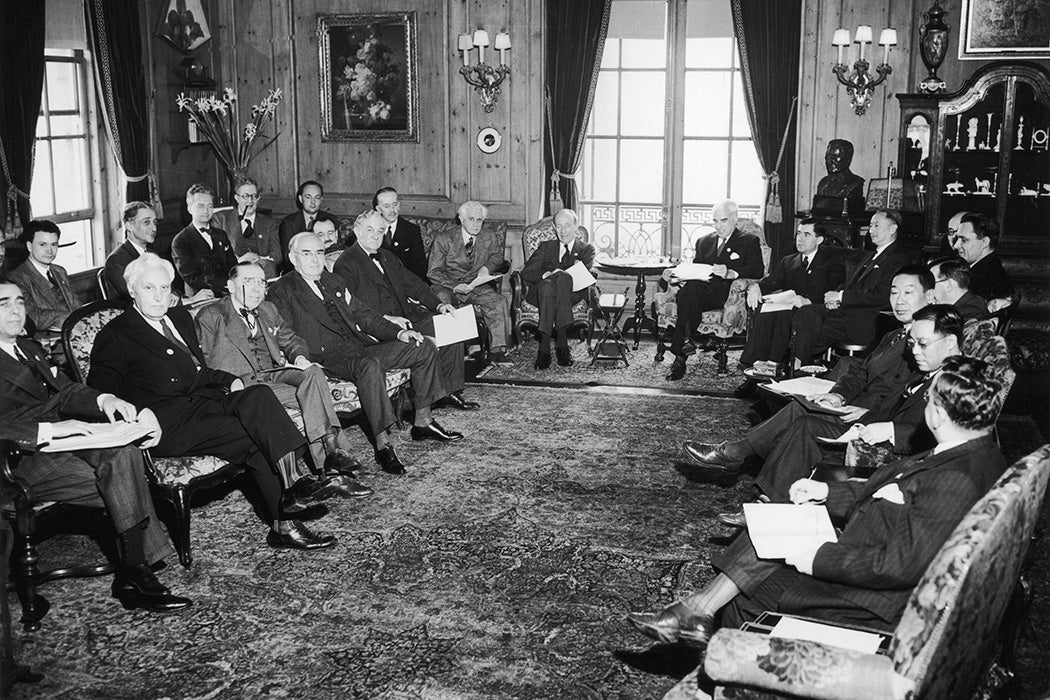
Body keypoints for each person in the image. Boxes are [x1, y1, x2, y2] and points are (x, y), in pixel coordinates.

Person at [627, 355, 1007, 645]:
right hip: (875, 542)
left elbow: (898, 566)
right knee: (777, 523)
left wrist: (815, 557)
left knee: (755, 586)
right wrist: (827, 491)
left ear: (937, 413)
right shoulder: (967, 448)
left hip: (871, 601)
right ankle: (697, 612)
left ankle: (723, 654)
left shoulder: (956, 479)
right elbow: (896, 491)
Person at [87, 253, 335, 551]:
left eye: (164, 288)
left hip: (200, 404)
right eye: (149, 288)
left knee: (258, 395)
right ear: (132, 290)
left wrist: (228, 380)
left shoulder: (179, 318)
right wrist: (117, 403)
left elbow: (198, 371)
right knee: (255, 437)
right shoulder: (116, 334)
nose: (158, 296)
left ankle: (292, 486)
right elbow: (101, 388)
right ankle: (285, 518)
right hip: (165, 423)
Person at [0, 279, 191, 613]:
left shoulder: (28, 348)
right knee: (122, 467)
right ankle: (135, 571)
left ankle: (133, 569)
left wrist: (106, 400)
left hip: (56, 448)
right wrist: (50, 430)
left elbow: (68, 391)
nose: (16, 310)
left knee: (125, 452)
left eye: (19, 301)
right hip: (17, 460)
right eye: (4, 304)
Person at [704, 303, 965, 528]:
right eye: (912, 343)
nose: (915, 350)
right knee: (801, 417)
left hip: (893, 447)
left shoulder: (958, 382)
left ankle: (762, 494)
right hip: (872, 422)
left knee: (803, 425)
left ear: (950, 342)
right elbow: (864, 373)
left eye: (922, 344)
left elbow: (940, 437)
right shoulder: (928, 360)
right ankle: (766, 499)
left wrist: (885, 426)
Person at [680, 265, 936, 488]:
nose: (899, 301)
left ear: (930, 297)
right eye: (894, 293)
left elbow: (906, 399)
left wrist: (865, 412)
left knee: (798, 415)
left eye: (908, 293)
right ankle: (744, 467)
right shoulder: (896, 334)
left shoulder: (929, 343)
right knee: (797, 403)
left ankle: (736, 456)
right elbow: (860, 370)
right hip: (854, 406)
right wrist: (838, 394)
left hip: (871, 421)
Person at [269, 233, 462, 476]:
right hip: (326, 356)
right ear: (292, 258)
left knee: (421, 346)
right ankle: (383, 445)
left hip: (357, 346)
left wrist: (398, 333)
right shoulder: (282, 290)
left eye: (319, 252)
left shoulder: (332, 281)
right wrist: (299, 358)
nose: (315, 259)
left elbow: (364, 315)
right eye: (307, 253)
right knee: (369, 365)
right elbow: (285, 332)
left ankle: (422, 421)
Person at [194, 262, 373, 506]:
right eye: (249, 281)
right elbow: (200, 362)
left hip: (272, 373)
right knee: (314, 399)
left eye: (261, 282)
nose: (257, 288)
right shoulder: (212, 315)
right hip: (243, 385)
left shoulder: (267, 308)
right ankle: (331, 471)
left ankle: (332, 451)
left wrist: (298, 356)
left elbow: (291, 340)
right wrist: (224, 386)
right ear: (230, 285)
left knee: (311, 373)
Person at [333, 210, 479, 411]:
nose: (376, 235)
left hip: (409, 316)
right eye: (370, 230)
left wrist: (439, 305)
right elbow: (352, 307)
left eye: (381, 230)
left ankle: (448, 392)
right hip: (380, 328)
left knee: (451, 324)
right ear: (357, 231)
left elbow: (415, 285)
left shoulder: (387, 256)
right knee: (428, 340)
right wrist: (385, 318)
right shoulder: (346, 263)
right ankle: (426, 402)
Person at [788, 208, 914, 367]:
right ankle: (798, 365)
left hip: (865, 319)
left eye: (876, 225)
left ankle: (797, 366)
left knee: (808, 329)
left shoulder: (898, 259)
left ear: (893, 229)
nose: (871, 230)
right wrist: (836, 295)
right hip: (847, 310)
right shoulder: (872, 254)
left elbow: (882, 295)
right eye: (870, 225)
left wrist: (841, 297)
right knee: (806, 313)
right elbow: (852, 284)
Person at [665, 200, 764, 381]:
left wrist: (732, 272)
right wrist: (680, 275)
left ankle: (681, 355)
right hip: (700, 291)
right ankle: (685, 343)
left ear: (734, 219)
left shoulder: (748, 241)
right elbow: (696, 268)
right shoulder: (703, 242)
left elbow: (758, 270)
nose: (718, 226)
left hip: (726, 295)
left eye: (723, 221)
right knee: (690, 289)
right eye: (715, 221)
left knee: (687, 295)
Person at [738, 218, 845, 370]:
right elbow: (772, 282)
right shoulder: (789, 261)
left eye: (807, 235)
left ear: (819, 240)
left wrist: (808, 300)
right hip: (790, 307)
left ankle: (772, 366)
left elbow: (834, 292)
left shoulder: (833, 262)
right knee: (765, 309)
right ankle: (754, 366)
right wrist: (756, 287)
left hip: (814, 311)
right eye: (799, 234)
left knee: (783, 314)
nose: (800, 239)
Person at [427, 200, 511, 363]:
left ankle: (497, 350)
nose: (476, 224)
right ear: (461, 219)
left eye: (479, 220)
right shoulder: (443, 239)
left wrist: (486, 268)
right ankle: (449, 352)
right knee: (442, 300)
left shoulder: (489, 236)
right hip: (448, 285)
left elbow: (497, 256)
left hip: (475, 285)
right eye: (471, 219)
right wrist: (455, 286)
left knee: (498, 301)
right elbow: (433, 272)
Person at [519, 208, 596, 369]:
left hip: (572, 294)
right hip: (539, 293)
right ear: (554, 227)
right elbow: (527, 273)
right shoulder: (545, 247)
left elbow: (583, 278)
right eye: (559, 226)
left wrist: (560, 275)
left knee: (561, 278)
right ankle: (562, 344)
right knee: (548, 285)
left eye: (567, 226)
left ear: (576, 226)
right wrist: (546, 274)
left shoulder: (586, 250)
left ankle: (544, 349)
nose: (563, 231)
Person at [8, 220, 80, 331]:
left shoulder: (59, 271)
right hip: (47, 342)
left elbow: (76, 305)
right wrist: (74, 320)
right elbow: (34, 317)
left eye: (54, 244)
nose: (50, 250)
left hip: (76, 332)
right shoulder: (17, 278)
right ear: (29, 246)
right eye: (43, 245)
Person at [171, 183, 238, 298]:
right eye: (200, 206)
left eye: (210, 206)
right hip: (202, 295)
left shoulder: (220, 234)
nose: (206, 211)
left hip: (229, 291)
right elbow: (192, 277)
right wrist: (225, 286)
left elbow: (233, 265)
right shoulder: (180, 241)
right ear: (189, 208)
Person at [212, 175, 282, 279]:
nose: (250, 201)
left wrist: (258, 259)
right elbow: (217, 255)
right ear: (236, 198)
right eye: (245, 196)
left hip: (262, 271)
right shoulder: (221, 219)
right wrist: (241, 260)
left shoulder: (268, 223)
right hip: (233, 272)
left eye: (254, 196)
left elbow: (277, 255)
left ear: (258, 198)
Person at [952, 213, 1013, 310]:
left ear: (985, 242)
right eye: (957, 239)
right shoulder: (990, 269)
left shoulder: (984, 280)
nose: (956, 245)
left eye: (963, 240)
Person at [105, 201, 162, 301]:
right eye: (146, 222)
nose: (154, 228)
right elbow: (137, 294)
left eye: (155, 222)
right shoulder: (116, 260)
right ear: (129, 226)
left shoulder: (153, 254)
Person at [374, 186, 429, 282]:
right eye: (387, 206)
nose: (392, 210)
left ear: (399, 205)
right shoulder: (370, 229)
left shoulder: (411, 230)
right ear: (378, 209)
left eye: (394, 204)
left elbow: (419, 268)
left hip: (405, 285)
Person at [278, 180, 331, 272]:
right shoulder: (289, 222)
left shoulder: (330, 220)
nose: (313, 202)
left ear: (321, 199)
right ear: (300, 198)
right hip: (297, 270)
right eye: (308, 197)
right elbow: (287, 255)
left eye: (317, 198)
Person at [929, 257, 988, 322]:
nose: (928, 291)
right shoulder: (973, 301)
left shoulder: (969, 313)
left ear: (949, 285)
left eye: (931, 284)